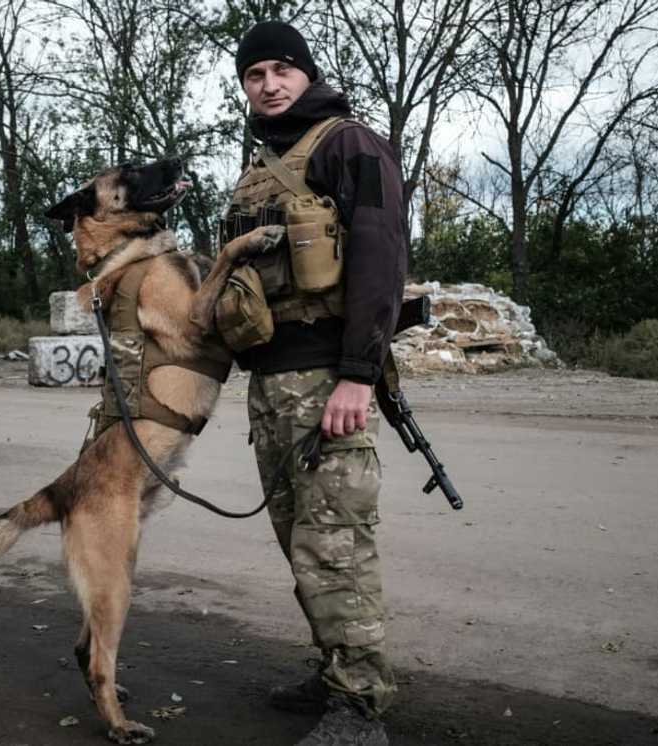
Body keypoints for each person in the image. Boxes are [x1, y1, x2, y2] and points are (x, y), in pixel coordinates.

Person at [225, 20, 406, 746]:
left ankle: (360, 711)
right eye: (253, 74)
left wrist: (358, 374)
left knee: (335, 543)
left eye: (280, 69)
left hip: (327, 378)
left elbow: (379, 255)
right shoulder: (260, 163)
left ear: (305, 73)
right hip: (271, 382)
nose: (268, 84)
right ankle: (337, 670)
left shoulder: (348, 143)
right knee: (299, 539)